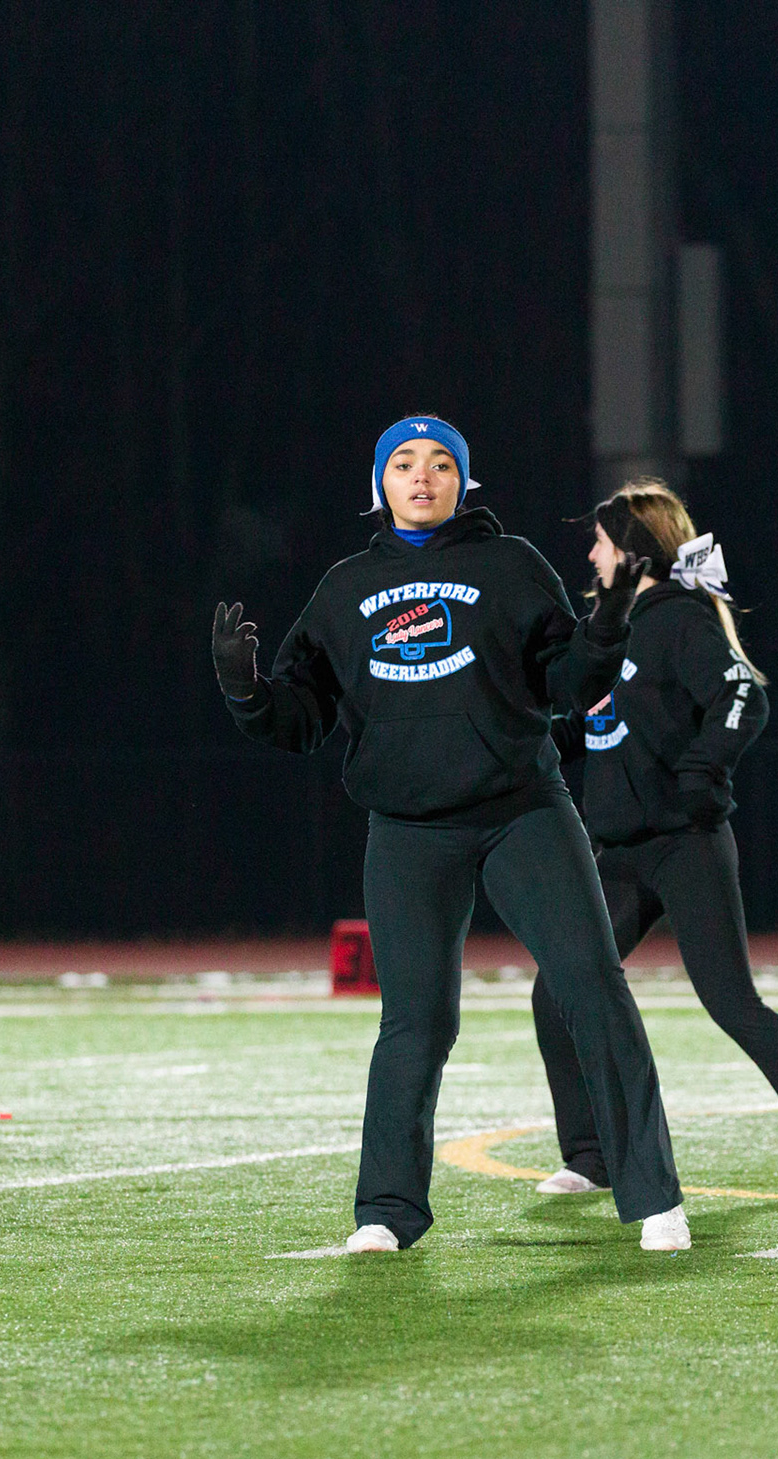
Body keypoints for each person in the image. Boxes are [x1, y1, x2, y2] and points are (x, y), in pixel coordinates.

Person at [213, 417, 689, 1251]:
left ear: (463, 483)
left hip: (522, 811)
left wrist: (609, 623)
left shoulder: (511, 565)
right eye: (404, 463)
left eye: (440, 464)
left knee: (592, 986)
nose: (422, 476)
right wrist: (245, 690)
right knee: (416, 1021)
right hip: (408, 830)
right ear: (380, 484)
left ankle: (654, 1198)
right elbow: (300, 719)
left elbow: (569, 685)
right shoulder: (344, 587)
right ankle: (386, 1211)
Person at [530, 482, 778, 1197]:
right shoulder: (607, 627)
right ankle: (591, 1156)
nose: (592, 555)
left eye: (600, 542)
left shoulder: (679, 618)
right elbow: (594, 722)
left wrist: (702, 772)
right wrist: (530, 749)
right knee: (557, 991)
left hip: (685, 842)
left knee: (732, 1003)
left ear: (632, 552)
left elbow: (743, 696)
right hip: (622, 851)